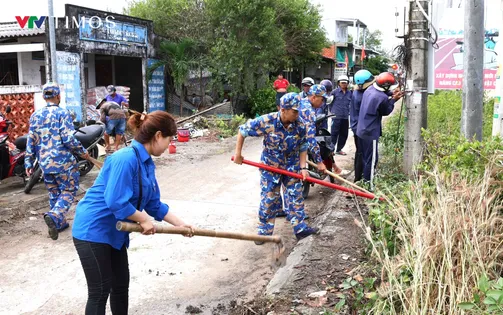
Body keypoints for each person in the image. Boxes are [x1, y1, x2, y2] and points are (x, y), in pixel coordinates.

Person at [72, 110, 194, 315]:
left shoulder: (146, 163)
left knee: (120, 287)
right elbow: (115, 200)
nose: (169, 145)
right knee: (100, 291)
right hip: (93, 230)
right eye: (169, 139)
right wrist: (143, 219)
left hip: (115, 233)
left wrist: (180, 225)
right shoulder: (125, 158)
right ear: (157, 136)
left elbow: (154, 204)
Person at [234, 93, 319, 243]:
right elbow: (242, 131)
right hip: (270, 167)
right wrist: (238, 153)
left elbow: (303, 146)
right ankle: (264, 232)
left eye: (298, 111)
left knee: (295, 196)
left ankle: (300, 228)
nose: (297, 115)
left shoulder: (300, 125)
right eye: (294, 111)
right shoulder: (267, 121)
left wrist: (303, 168)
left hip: (291, 166)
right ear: (283, 109)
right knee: (269, 198)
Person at [25, 82, 89, 240]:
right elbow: (68, 139)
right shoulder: (62, 113)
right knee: (69, 190)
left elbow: (30, 141)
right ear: (58, 96)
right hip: (63, 162)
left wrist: (28, 162)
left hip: (45, 164)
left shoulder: (35, 115)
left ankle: (59, 224)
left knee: (54, 193)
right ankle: (54, 216)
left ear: (43, 97)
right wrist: (83, 152)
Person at [356, 72, 404, 190]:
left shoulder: (370, 89)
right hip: (370, 132)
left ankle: (364, 181)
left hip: (361, 129)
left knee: (365, 158)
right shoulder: (381, 98)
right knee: (371, 160)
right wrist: (394, 99)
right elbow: (386, 110)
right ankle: (369, 187)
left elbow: (382, 93)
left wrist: (391, 93)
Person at [351, 70, 375, 183]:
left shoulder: (356, 93)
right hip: (365, 129)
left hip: (356, 128)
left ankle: (357, 178)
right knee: (368, 156)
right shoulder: (366, 95)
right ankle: (367, 181)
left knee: (359, 153)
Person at [330, 75, 352, 155]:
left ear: (347, 84)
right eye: (342, 83)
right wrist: (332, 112)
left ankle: (339, 149)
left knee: (344, 134)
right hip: (336, 117)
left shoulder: (350, 93)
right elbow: (330, 103)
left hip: (345, 117)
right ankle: (331, 150)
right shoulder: (334, 92)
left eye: (345, 83)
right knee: (334, 134)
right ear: (339, 83)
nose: (343, 84)